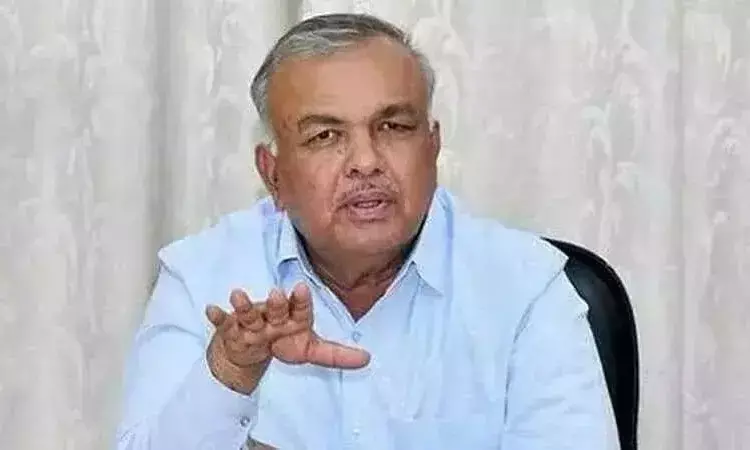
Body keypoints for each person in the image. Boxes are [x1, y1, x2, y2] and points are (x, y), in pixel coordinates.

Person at [115, 13, 618, 450]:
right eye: (325, 136)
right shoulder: (201, 278)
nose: (366, 161)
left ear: (432, 147)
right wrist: (230, 372)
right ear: (273, 174)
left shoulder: (526, 287)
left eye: (393, 127)